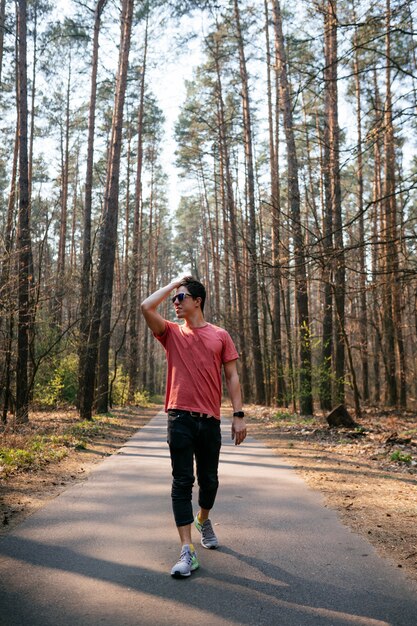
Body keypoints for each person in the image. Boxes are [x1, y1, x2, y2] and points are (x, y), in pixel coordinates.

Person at [141, 276, 247, 578]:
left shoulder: (220, 335)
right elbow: (146, 306)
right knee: (182, 482)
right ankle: (187, 550)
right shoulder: (170, 333)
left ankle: (203, 519)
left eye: (181, 297)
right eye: (174, 299)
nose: (175, 302)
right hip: (179, 419)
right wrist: (175, 283)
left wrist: (238, 414)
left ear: (197, 301)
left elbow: (232, 377)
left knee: (209, 482)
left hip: (210, 420)